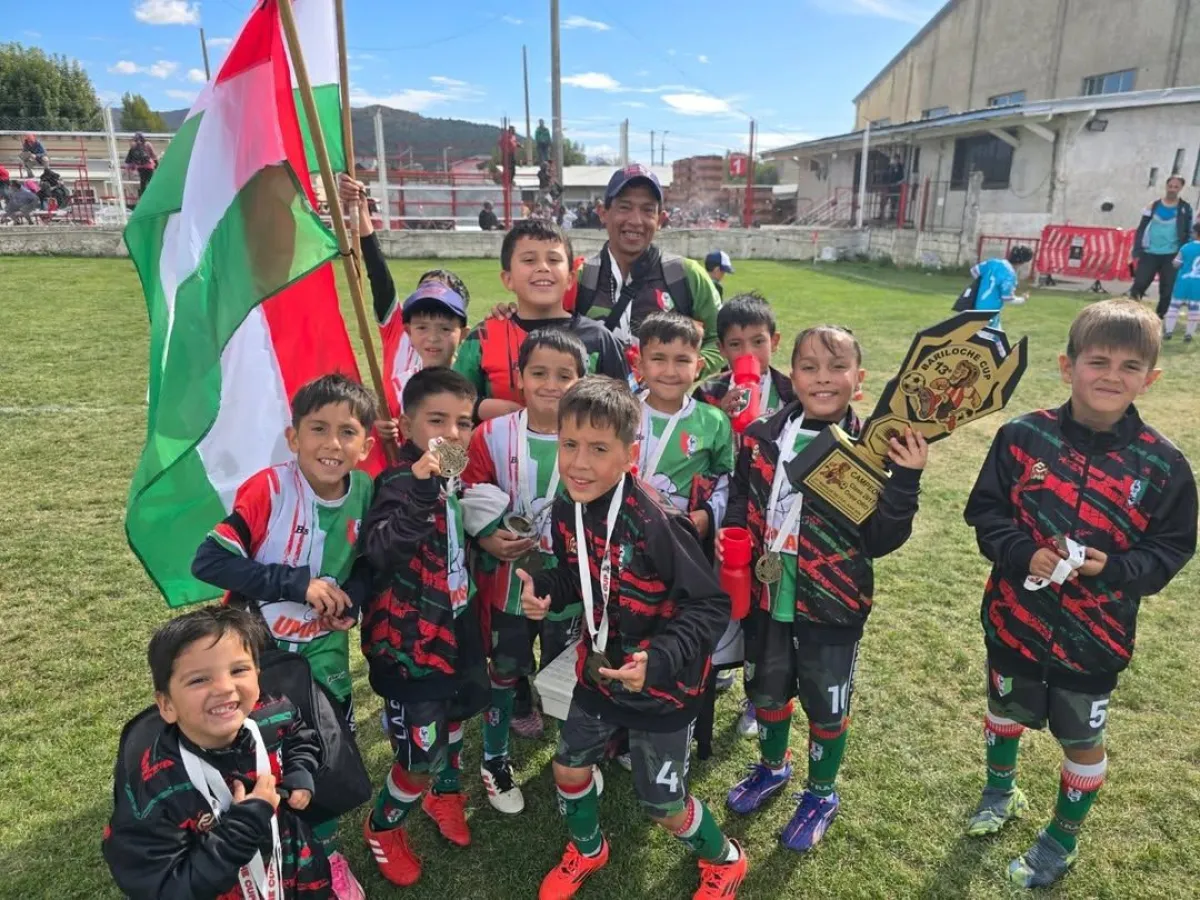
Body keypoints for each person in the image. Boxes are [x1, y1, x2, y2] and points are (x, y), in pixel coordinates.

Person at [962, 298, 1196, 888]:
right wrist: (1023, 552)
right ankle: (999, 791)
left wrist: (1115, 568)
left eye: (1129, 366)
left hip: (1095, 642)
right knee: (1004, 708)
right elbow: (985, 512)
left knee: (1082, 740)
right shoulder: (1022, 437)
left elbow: (1171, 549)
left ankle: (1060, 841)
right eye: (1098, 361)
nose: (1112, 376)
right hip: (1014, 620)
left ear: (1150, 378)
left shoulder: (1164, 465)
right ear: (1068, 366)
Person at [518, 376, 748, 900]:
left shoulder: (658, 524)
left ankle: (726, 859)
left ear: (630, 454)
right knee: (568, 767)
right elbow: (577, 572)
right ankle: (589, 849)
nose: (579, 463)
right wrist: (548, 590)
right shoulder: (568, 506)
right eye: (569, 444)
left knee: (663, 806)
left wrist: (659, 659)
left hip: (664, 687)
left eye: (599, 449)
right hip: (600, 673)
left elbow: (710, 606)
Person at [721, 325, 927, 853]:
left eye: (838, 368)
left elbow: (882, 538)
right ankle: (772, 766)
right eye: (809, 367)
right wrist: (737, 535)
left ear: (860, 379)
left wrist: (905, 480)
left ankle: (820, 794)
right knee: (766, 689)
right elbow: (742, 493)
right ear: (792, 377)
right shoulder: (762, 435)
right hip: (767, 594)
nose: (823, 378)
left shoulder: (874, 449)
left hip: (833, 601)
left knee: (826, 704)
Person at [191, 373, 376, 899]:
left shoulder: (366, 492)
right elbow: (209, 561)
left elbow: (369, 563)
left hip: (324, 656)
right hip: (258, 655)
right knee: (257, 758)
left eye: (347, 432)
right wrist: (297, 583)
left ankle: (328, 853)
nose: (332, 443)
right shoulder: (268, 489)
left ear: (365, 447)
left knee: (323, 756)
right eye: (318, 429)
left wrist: (351, 599)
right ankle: (259, 853)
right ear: (294, 437)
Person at [103, 606, 334, 899]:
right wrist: (243, 827)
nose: (224, 687)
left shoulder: (274, 712)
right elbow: (164, 887)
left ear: (257, 676)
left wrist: (300, 770)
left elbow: (298, 736)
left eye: (238, 670)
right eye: (199, 680)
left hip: (297, 865)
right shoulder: (154, 787)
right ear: (167, 705)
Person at [359, 367, 488, 887]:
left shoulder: (453, 477)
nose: (452, 432)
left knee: (455, 718)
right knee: (418, 756)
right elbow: (381, 551)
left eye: (463, 422)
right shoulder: (397, 482)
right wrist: (418, 492)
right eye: (437, 420)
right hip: (411, 645)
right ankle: (383, 826)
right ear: (407, 425)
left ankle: (444, 794)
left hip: (456, 625)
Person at [460, 330, 589, 814]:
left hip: (568, 587)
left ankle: (573, 760)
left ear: (582, 380)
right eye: (539, 373)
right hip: (508, 583)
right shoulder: (490, 435)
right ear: (519, 377)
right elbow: (468, 490)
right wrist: (487, 536)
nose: (551, 384)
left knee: (567, 671)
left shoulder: (591, 438)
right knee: (505, 669)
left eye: (564, 375)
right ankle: (494, 759)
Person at [694, 292, 798, 714]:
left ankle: (759, 690)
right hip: (726, 511)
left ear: (775, 341)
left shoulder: (794, 393)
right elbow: (698, 449)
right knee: (722, 587)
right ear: (722, 349)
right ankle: (722, 659)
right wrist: (719, 417)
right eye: (735, 345)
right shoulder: (709, 392)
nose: (747, 352)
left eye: (758, 341)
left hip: (775, 515)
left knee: (766, 601)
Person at [454, 218, 630, 423]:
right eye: (529, 260)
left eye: (553, 260)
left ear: (570, 278)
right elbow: (448, 401)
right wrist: (480, 407)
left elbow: (627, 411)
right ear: (508, 279)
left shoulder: (599, 339)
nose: (543, 267)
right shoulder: (483, 337)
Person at [341, 169, 470, 438]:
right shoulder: (398, 331)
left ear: (460, 328)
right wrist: (361, 212)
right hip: (390, 457)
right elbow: (379, 275)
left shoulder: (468, 377)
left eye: (443, 324)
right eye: (422, 322)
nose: (431, 335)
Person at [571, 164, 724, 377]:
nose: (636, 221)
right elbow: (551, 338)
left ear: (660, 219)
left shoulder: (686, 275)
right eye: (624, 207)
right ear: (603, 213)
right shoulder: (579, 278)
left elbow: (721, 339)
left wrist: (682, 370)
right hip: (595, 399)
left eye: (647, 210)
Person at [1131, 174, 1194, 318]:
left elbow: (1188, 232)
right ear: (1166, 186)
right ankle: (1131, 313)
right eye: (1170, 186)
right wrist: (1137, 249)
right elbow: (1141, 228)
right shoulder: (1153, 206)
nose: (1172, 189)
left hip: (1172, 254)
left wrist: (1184, 254)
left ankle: (1160, 316)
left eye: (1176, 187)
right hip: (1149, 253)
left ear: (1181, 188)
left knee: (1167, 289)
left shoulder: (1185, 208)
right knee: (1139, 284)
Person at [961, 245, 1034, 330]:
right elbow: (1007, 298)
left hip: (975, 306)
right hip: (990, 312)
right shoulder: (1010, 275)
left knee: (992, 335)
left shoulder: (993, 262)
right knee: (991, 336)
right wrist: (1023, 299)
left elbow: (974, 271)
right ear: (1023, 262)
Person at [1166, 220, 1200, 341]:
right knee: (1194, 311)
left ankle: (1169, 332)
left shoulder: (1186, 247)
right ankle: (1188, 334)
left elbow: (1176, 263)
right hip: (1197, 285)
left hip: (1183, 283)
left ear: (1195, 233)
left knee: (1174, 308)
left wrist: (1176, 263)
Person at [125, 133, 158, 197]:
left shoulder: (133, 146)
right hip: (149, 166)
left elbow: (131, 157)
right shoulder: (148, 144)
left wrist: (132, 166)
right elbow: (153, 155)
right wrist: (156, 163)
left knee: (143, 182)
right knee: (150, 181)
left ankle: (143, 197)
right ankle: (152, 195)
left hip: (140, 167)